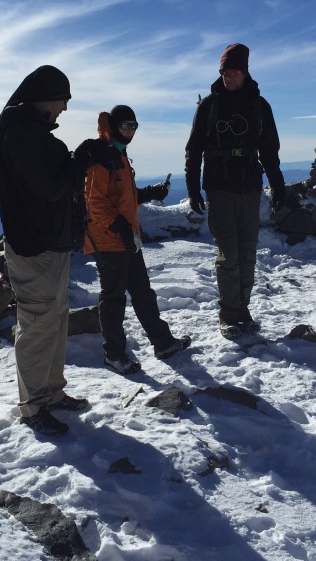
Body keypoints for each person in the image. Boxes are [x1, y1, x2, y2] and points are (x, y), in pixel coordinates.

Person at [0, 65, 100, 436]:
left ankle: (51, 394)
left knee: (55, 319)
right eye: (63, 101)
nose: (64, 110)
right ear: (45, 96)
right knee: (39, 323)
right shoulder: (21, 133)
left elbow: (51, 180)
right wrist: (81, 159)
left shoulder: (29, 131)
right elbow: (50, 186)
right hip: (33, 244)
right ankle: (34, 404)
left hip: (48, 242)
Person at [184, 43, 285, 338]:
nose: (229, 76)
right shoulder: (209, 106)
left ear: (245, 72)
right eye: (225, 71)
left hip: (250, 187)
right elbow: (194, 150)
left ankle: (243, 309)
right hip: (219, 186)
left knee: (247, 253)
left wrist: (277, 185)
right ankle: (228, 313)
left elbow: (269, 150)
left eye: (235, 70)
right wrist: (193, 189)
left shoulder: (260, 106)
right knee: (229, 254)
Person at [81, 105, 192, 374]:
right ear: (115, 126)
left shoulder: (119, 154)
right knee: (114, 298)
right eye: (126, 126)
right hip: (107, 240)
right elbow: (94, 202)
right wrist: (120, 226)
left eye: (134, 126)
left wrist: (151, 192)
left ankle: (163, 343)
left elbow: (123, 196)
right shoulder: (101, 157)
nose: (130, 131)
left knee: (143, 292)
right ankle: (115, 355)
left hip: (126, 238)